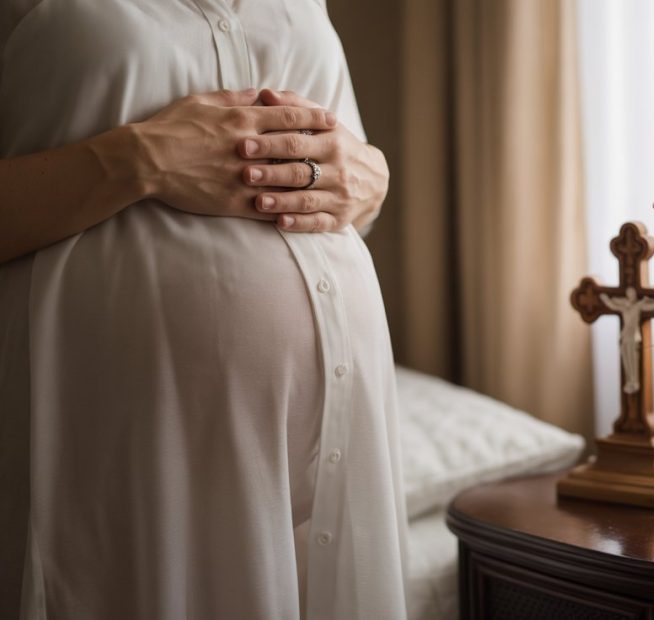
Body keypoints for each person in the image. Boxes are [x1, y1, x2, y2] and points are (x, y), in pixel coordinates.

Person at [0, 1, 407, 618]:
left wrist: (368, 174)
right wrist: (139, 160)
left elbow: (342, 186)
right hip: (114, 441)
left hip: (332, 446)